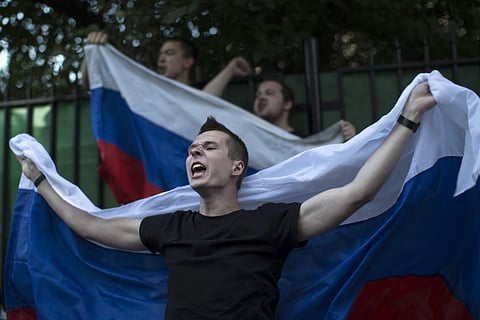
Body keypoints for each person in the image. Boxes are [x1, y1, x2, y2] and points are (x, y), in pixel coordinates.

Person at [17, 82, 435, 319]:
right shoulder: (171, 226)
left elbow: (357, 193)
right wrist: (41, 182)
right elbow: (90, 227)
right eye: (192, 149)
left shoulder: (269, 222)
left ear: (237, 168)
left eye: (209, 148)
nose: (194, 153)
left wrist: (408, 119)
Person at [82, 31, 250, 93]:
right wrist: (92, 51)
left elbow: (205, 103)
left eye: (169, 53)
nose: (161, 58)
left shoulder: (199, 95)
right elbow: (91, 84)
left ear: (187, 62)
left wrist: (230, 70)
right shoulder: (149, 93)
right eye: (161, 54)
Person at [253, 79, 356, 140]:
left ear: (287, 104)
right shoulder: (249, 139)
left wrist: (349, 139)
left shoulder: (303, 144)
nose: (261, 97)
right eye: (258, 95)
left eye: (269, 93)